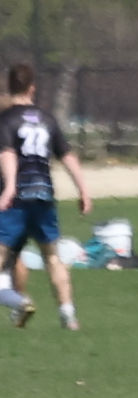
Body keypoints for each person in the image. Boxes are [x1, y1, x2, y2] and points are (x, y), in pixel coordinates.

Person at [0, 65, 90, 331]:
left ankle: (18, 302)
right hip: (43, 195)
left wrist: (10, 186)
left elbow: (7, 153)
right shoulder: (47, 119)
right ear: (32, 88)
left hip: (16, 198)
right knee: (52, 256)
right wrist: (83, 190)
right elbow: (67, 155)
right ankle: (68, 316)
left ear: (9, 87)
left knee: (4, 255)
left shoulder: (6, 119)